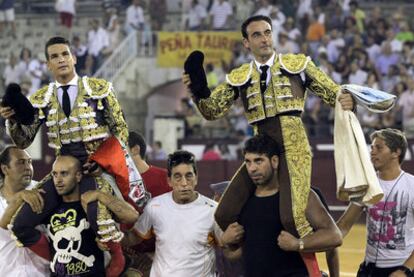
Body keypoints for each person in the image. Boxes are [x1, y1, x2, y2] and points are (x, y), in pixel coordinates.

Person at [182, 15, 354, 244]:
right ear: (246, 43)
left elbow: (334, 93)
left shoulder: (298, 65)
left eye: (267, 32)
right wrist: (199, 89)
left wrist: (347, 100)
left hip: (294, 148)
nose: (264, 39)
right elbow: (212, 111)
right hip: (260, 152)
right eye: (256, 35)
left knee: (292, 217)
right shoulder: (240, 76)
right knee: (224, 214)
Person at [0, 36, 144, 276]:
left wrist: (104, 165)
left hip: (94, 168)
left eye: (65, 54)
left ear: (74, 58)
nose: (61, 59)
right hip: (63, 172)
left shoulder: (99, 89)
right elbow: (23, 140)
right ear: (48, 65)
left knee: (101, 224)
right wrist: (12, 120)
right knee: (21, 223)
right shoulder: (41, 98)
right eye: (55, 56)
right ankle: (60, 263)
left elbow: (120, 130)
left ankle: (119, 265)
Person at [220, 134, 342, 277]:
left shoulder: (299, 196)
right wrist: (225, 243)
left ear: (275, 161)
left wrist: (298, 244)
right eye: (248, 162)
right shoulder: (243, 201)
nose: (252, 168)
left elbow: (334, 236)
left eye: (258, 161)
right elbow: (236, 255)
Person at [17, 155, 138, 276]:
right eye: (55, 174)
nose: (58, 180)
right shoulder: (47, 207)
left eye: (64, 174)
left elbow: (132, 216)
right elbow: (13, 226)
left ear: (78, 176)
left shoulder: (93, 206)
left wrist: (100, 195)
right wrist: (22, 196)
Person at [336, 128, 414, 277]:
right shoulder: (366, 186)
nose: (372, 152)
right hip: (369, 269)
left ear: (396, 152)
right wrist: (316, 241)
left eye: (379, 147)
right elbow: (344, 225)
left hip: (402, 269)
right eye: (372, 147)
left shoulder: (412, 186)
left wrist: (405, 270)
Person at [131, 150, 222, 276]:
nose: (184, 183)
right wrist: (113, 238)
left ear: (196, 178)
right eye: (178, 177)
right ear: (169, 181)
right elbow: (134, 237)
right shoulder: (154, 206)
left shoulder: (213, 210)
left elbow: (229, 249)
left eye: (189, 176)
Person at [0, 146, 49, 276]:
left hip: (41, 274)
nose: (28, 167)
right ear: (5, 169)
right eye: (21, 162)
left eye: (30, 162)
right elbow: (3, 227)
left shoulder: (43, 191)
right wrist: (19, 197)